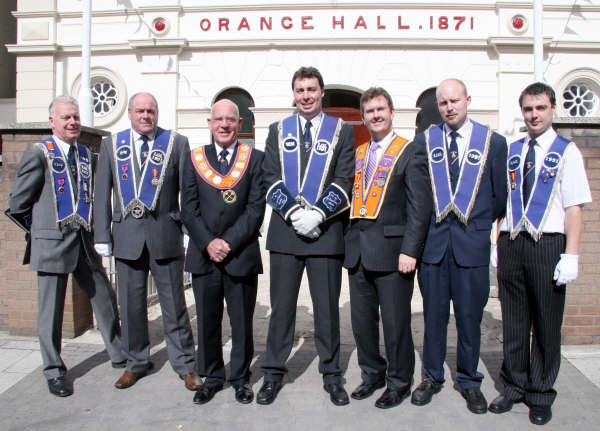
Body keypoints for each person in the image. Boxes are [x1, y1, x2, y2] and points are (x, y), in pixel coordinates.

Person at [8, 96, 125, 397]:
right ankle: (54, 371)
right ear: (52, 122)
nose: (72, 122)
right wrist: (40, 233)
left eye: (75, 117)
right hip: (52, 243)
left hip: (84, 242)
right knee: (51, 312)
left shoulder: (86, 155)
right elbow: (18, 204)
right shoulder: (39, 154)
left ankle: (117, 352)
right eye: (65, 118)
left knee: (104, 297)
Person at [489, 82, 591, 425]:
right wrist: (497, 240)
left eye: (540, 108)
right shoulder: (514, 150)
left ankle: (541, 393)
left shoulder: (567, 151)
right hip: (513, 243)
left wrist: (572, 254)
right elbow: (504, 202)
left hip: (548, 244)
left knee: (547, 324)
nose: (534, 115)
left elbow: (575, 208)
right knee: (514, 322)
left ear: (553, 108)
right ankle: (514, 386)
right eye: (529, 109)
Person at [93, 92, 202, 391]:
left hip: (165, 237)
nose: (145, 116)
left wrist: (188, 231)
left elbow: (187, 192)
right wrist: (101, 235)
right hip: (127, 239)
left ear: (157, 113)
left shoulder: (175, 143)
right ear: (129, 113)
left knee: (175, 306)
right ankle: (136, 362)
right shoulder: (111, 145)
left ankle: (185, 365)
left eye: (150, 111)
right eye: (140, 111)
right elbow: (102, 192)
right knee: (131, 308)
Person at [259, 66, 355, 406]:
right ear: (294, 93)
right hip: (286, 233)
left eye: (311, 89)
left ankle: (332, 376)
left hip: (325, 233)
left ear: (322, 91)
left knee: (327, 310)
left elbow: (345, 179)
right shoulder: (278, 130)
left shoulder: (341, 131)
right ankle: (272, 375)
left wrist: (318, 213)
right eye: (300, 90)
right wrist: (295, 213)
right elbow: (268, 176)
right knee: (282, 309)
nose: (306, 96)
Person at [411, 79, 508, 414]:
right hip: (435, 248)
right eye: (443, 103)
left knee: (469, 320)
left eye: (455, 101)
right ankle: (432, 377)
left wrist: (477, 227)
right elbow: (420, 196)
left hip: (471, 246)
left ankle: (469, 380)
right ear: (437, 106)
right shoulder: (425, 141)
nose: (449, 107)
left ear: (468, 100)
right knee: (434, 318)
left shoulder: (493, 143)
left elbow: (499, 198)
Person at [344, 87, 431, 409]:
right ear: (364, 117)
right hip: (359, 252)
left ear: (392, 113)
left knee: (395, 325)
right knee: (362, 323)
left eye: (380, 109)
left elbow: (419, 208)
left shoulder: (410, 152)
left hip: (395, 253)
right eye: (369, 111)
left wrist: (411, 250)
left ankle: (399, 382)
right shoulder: (359, 153)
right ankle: (372, 374)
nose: (375, 115)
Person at [181, 99, 265, 405]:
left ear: (239, 125)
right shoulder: (194, 158)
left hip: (240, 254)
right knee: (207, 320)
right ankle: (212, 376)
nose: (225, 125)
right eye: (219, 119)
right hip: (205, 256)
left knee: (242, 322)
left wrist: (227, 242)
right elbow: (188, 209)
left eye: (231, 119)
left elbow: (256, 209)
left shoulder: (255, 158)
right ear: (210, 123)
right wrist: (208, 242)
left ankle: (241, 379)